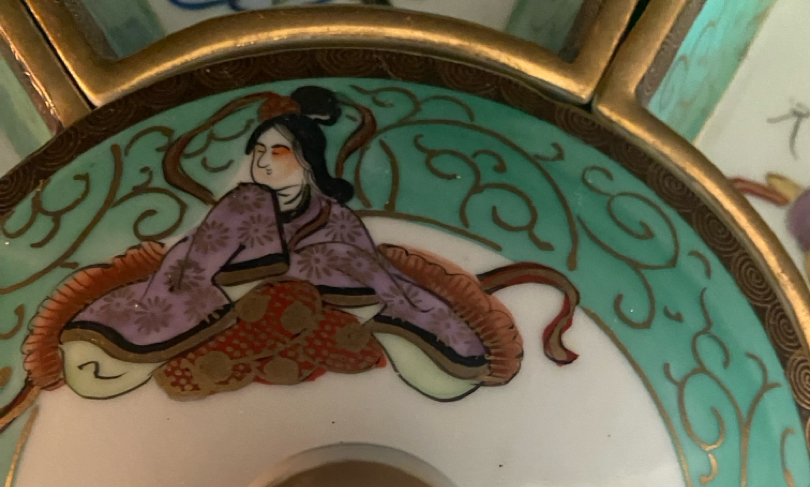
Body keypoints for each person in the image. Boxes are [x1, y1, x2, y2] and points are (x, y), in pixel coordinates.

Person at [19, 86, 578, 408]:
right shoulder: (242, 205)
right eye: (258, 153)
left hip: (321, 317)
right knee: (95, 360)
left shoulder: (334, 217)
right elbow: (193, 260)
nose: (264, 163)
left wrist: (318, 274)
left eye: (278, 153)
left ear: (308, 160)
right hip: (220, 308)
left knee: (441, 364)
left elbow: (369, 270)